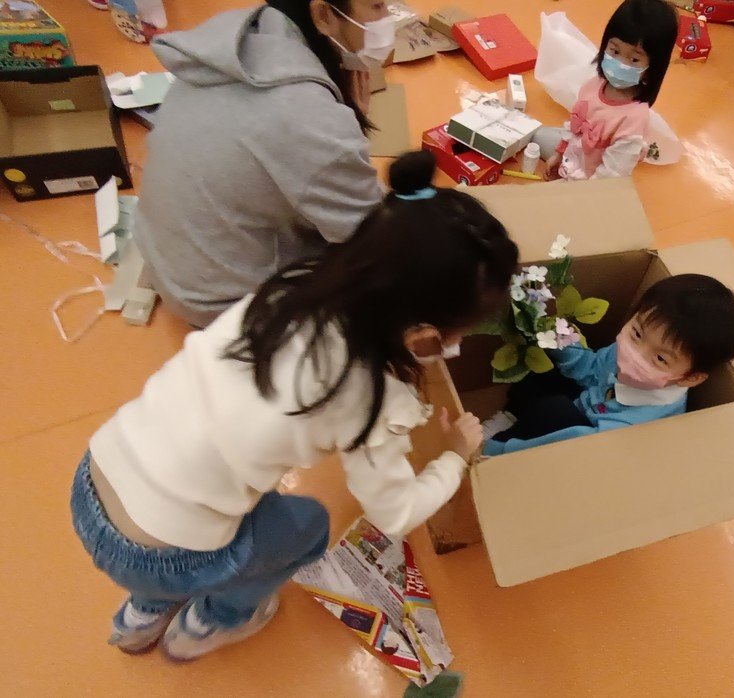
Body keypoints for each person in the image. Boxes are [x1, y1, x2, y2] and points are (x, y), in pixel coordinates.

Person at [71, 151, 519, 661]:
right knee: (306, 527)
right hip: (167, 553)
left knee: (169, 534)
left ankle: (139, 617)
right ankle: (213, 621)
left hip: (94, 479)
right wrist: (454, 457)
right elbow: (395, 512)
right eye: (462, 332)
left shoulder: (293, 288)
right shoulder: (373, 400)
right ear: (423, 337)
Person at [134, 1, 397, 328]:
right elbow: (375, 239)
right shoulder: (308, 116)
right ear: (323, 15)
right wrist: (349, 132)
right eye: (378, 6)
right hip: (225, 305)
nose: (388, 19)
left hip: (171, 263)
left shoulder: (238, 39)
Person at [483, 274, 734, 456]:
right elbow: (591, 369)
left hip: (589, 439)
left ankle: (497, 443)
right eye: (637, 333)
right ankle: (511, 416)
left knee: (557, 410)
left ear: (690, 377)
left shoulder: (642, 422)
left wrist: (499, 450)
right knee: (548, 359)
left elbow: (580, 442)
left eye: (660, 359)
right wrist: (562, 341)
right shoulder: (626, 351)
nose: (634, 354)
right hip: (585, 402)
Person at [534, 0, 678, 181]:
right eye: (615, 51)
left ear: (653, 68)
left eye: (634, 59)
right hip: (576, 156)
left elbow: (610, 177)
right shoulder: (593, 85)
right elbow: (574, 125)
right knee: (536, 136)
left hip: (591, 183)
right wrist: (559, 154)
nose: (620, 63)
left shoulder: (632, 120)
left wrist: (571, 189)